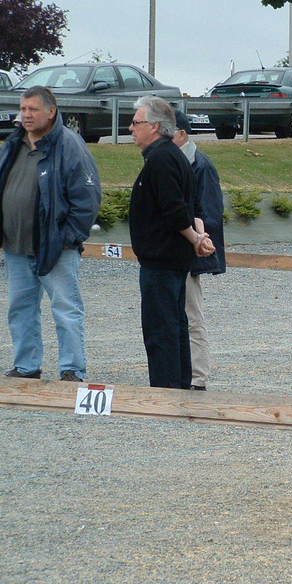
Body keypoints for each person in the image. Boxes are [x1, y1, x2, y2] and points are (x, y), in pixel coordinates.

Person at [0, 86, 101, 382]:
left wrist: (67, 238)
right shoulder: (12, 145)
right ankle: (26, 365)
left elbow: (88, 199)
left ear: (51, 111)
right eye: (23, 109)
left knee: (66, 309)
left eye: (33, 109)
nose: (27, 115)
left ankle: (72, 369)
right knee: (20, 308)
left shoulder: (70, 146)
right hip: (16, 247)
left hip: (56, 248)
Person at [128, 96, 215, 389]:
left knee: (161, 329)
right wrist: (199, 237)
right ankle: (177, 385)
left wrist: (195, 238)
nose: (131, 128)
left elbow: (176, 209)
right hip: (170, 259)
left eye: (136, 122)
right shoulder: (171, 155)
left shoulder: (162, 159)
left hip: (162, 260)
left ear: (154, 126)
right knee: (175, 325)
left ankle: (166, 391)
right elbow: (189, 207)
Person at [172, 110, 226, 391]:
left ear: (182, 134)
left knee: (192, 315)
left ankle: (197, 376)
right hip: (174, 250)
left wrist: (199, 241)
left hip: (192, 249)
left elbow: (211, 211)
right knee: (177, 314)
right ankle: (181, 371)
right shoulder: (174, 162)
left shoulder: (200, 165)